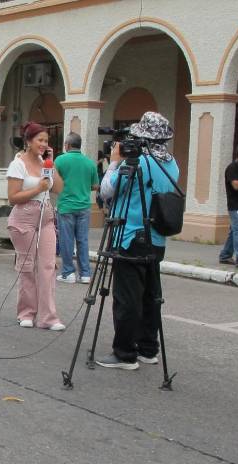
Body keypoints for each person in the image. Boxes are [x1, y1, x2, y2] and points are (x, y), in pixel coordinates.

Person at [95, 111, 180, 370]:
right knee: (151, 296)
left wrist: (114, 162)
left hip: (130, 236)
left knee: (127, 298)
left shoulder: (138, 163)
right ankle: (148, 349)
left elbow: (107, 190)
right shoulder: (171, 163)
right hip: (157, 239)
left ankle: (125, 354)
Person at [6, 122, 66, 331]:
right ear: (29, 141)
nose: (43, 144)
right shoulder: (18, 164)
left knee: (48, 266)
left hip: (46, 217)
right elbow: (13, 197)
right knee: (27, 267)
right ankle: (26, 313)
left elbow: (58, 188)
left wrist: (51, 164)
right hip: (23, 218)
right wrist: (38, 189)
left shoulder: (45, 163)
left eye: (46, 141)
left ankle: (48, 317)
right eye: (40, 140)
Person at [54, 132, 98, 284]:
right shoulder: (90, 163)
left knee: (66, 240)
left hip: (66, 206)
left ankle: (68, 272)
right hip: (84, 206)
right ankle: (85, 274)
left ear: (67, 145)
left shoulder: (60, 160)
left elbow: (53, 182)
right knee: (82, 240)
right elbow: (95, 186)